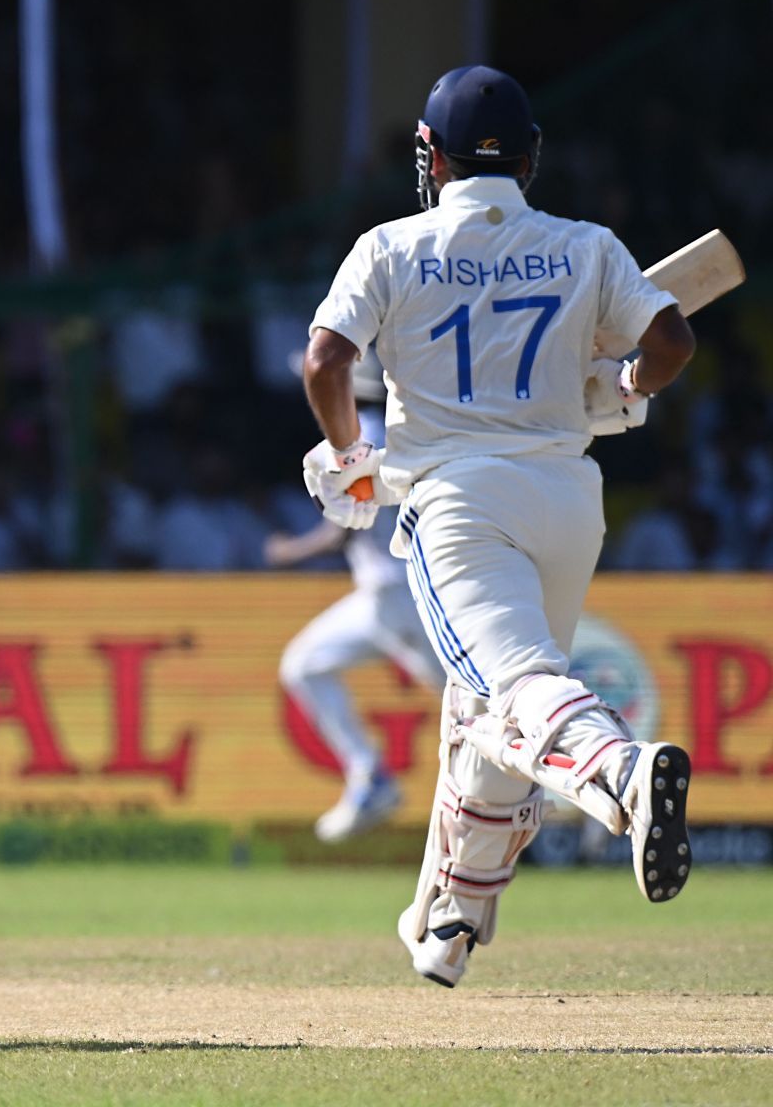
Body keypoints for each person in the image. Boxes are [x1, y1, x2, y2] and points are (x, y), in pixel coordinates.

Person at [301, 65, 697, 988]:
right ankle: (451, 920)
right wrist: (625, 388)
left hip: (459, 502)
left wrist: (353, 458)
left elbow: (327, 363)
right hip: (568, 497)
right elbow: (671, 344)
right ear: (529, 157)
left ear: (430, 158)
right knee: (490, 708)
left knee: (516, 690)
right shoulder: (586, 245)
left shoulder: (390, 247)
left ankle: (620, 776)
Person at [267, 350, 440, 841]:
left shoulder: (365, 432)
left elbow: (344, 529)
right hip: (381, 595)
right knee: (304, 664)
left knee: (475, 708)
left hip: (403, 594)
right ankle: (369, 776)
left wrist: (288, 552)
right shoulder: (386, 426)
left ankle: (576, 779)